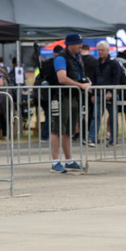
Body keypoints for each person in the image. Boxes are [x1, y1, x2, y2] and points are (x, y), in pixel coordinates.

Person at [49, 33, 91, 173]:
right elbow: (62, 78)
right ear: (70, 44)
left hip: (72, 97)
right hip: (61, 97)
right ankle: (55, 162)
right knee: (57, 129)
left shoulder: (76, 58)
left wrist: (86, 83)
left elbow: (77, 76)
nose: (80, 45)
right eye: (78, 43)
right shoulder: (61, 58)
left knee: (68, 130)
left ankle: (69, 160)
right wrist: (80, 85)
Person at [89, 40, 119, 147]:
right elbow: (94, 78)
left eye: (102, 50)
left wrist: (111, 92)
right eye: (99, 50)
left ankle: (113, 139)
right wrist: (92, 93)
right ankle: (92, 138)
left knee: (113, 117)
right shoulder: (96, 63)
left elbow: (116, 79)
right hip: (98, 93)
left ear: (107, 50)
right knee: (96, 116)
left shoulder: (113, 63)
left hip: (111, 93)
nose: (100, 52)